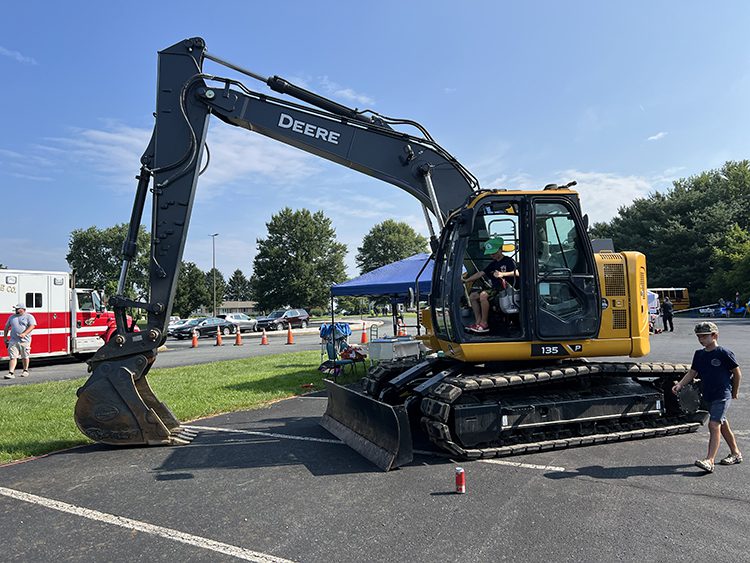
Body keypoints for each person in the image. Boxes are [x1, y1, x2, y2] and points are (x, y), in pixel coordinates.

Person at [672, 321, 742, 473]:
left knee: (713, 424)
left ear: (714, 335)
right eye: (699, 337)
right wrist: (680, 385)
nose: (701, 339)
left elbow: (737, 373)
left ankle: (709, 460)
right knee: (723, 424)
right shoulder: (699, 354)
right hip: (708, 395)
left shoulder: (724, 353)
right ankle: (736, 453)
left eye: (704, 336)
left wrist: (734, 392)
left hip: (722, 394)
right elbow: (692, 372)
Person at [462, 237, 518, 334]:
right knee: (473, 296)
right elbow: (481, 273)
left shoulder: (508, 261)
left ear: (500, 249)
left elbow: (517, 273)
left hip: (505, 290)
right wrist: (467, 280)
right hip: (494, 289)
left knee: (483, 295)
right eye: (491, 253)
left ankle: (484, 323)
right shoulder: (493, 264)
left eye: (494, 253)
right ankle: (478, 321)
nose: (492, 255)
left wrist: (502, 274)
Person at [3, 303, 37, 379]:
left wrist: (24, 333)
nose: (16, 310)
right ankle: (11, 373)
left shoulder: (29, 317)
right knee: (12, 357)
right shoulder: (12, 317)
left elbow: (32, 326)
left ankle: (25, 370)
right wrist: (5, 338)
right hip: (13, 340)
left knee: (25, 356)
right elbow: (6, 327)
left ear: (23, 309)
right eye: (15, 309)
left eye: (17, 309)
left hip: (25, 340)